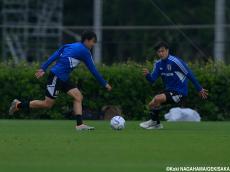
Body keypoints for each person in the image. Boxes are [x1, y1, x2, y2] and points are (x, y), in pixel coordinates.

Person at [9, 30, 112, 131]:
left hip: (63, 78)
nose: (93, 44)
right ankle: (18, 105)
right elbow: (93, 70)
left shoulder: (70, 45)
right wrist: (104, 84)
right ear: (87, 40)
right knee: (47, 104)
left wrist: (43, 68)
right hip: (56, 77)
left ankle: (80, 125)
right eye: (93, 41)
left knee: (78, 96)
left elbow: (56, 54)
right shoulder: (85, 51)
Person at [140, 41, 208, 129]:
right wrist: (147, 75)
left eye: (162, 51)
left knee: (157, 98)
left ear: (167, 50)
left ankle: (154, 123)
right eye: (159, 52)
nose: (161, 53)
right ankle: (156, 124)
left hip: (180, 91)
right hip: (169, 90)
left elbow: (189, 74)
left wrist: (199, 88)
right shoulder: (158, 64)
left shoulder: (175, 61)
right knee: (151, 105)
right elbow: (152, 80)